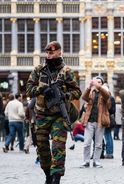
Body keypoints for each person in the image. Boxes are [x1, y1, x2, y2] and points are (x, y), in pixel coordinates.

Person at [26, 41, 82, 184]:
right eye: (48, 53)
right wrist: (42, 90)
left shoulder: (66, 71)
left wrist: (65, 95)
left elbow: (77, 91)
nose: (49, 55)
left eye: (52, 53)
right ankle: (47, 175)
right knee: (42, 147)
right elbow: (29, 89)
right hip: (41, 115)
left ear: (59, 52)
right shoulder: (39, 70)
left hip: (58, 116)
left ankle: (56, 178)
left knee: (58, 147)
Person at [80, 76, 111, 169]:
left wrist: (100, 87)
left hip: (100, 121)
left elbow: (107, 96)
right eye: (95, 82)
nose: (97, 83)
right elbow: (84, 97)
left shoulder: (105, 92)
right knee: (87, 143)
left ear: (102, 84)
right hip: (89, 121)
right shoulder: (91, 92)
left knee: (98, 144)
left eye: (99, 82)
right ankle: (86, 161)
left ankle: (96, 161)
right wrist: (89, 87)